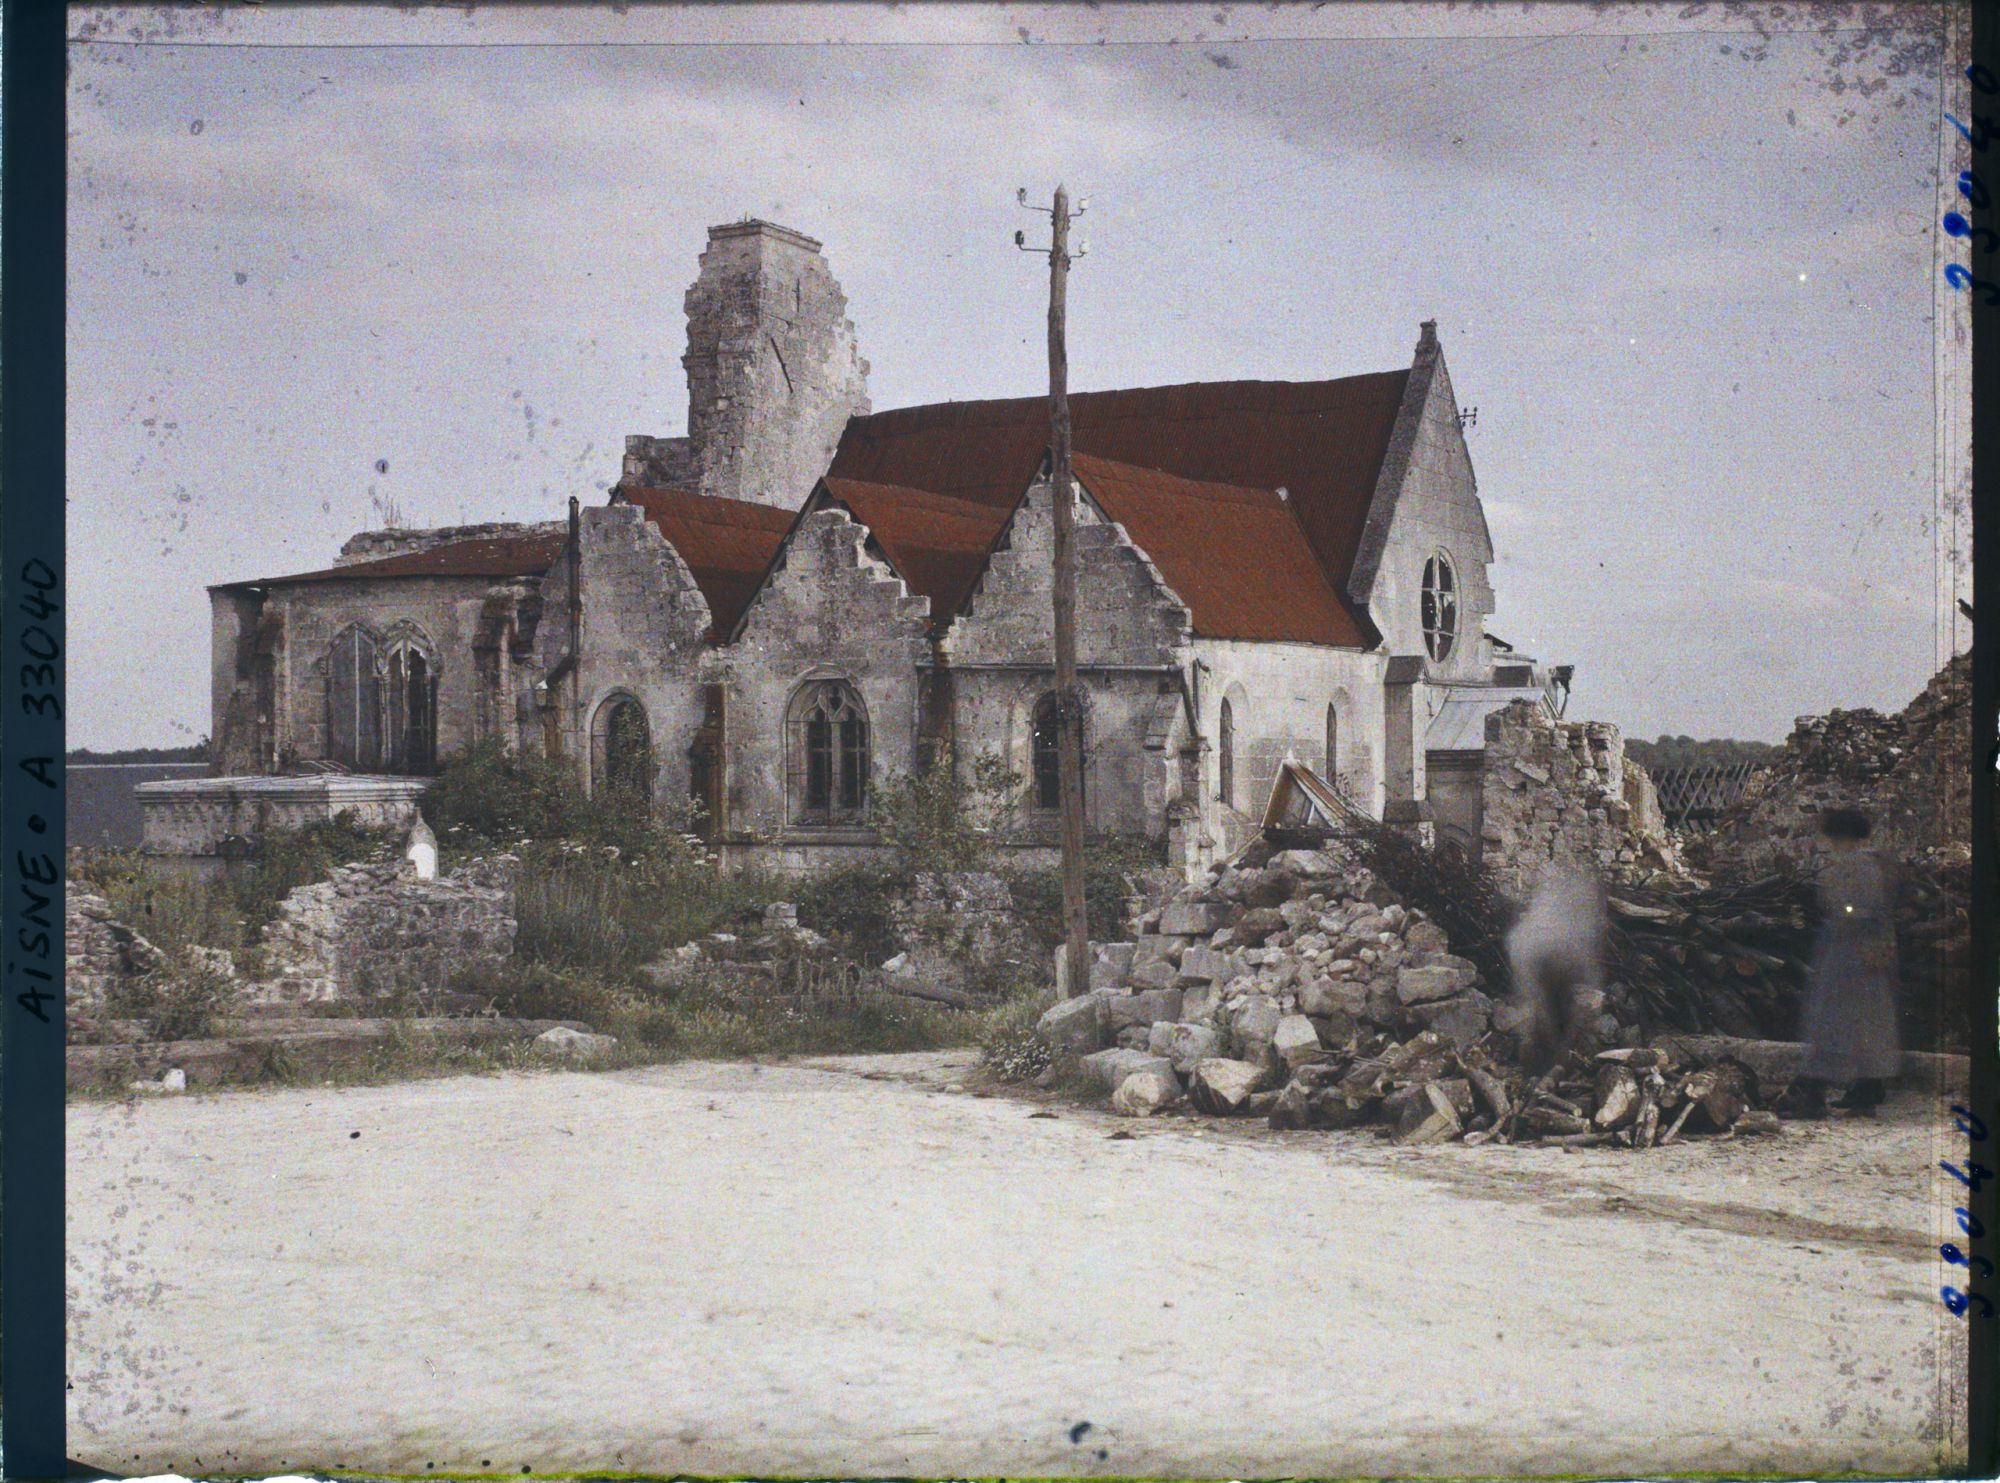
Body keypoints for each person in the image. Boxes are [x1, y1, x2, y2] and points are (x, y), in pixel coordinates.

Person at [1789, 807, 1902, 1118]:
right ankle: (1866, 1087)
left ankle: (1815, 1092)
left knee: (1833, 1018)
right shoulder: (1855, 864)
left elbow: (1860, 908)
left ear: (1843, 836)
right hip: (1845, 946)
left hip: (1853, 949)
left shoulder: (1859, 866)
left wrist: (1847, 916)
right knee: (1861, 1019)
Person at [1504, 864, 1609, 1077]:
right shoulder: (1551, 927)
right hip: (1547, 973)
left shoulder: (1564, 927)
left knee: (1556, 1020)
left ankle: (1553, 1069)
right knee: (1548, 1022)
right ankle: (1546, 1070)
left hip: (1557, 976)